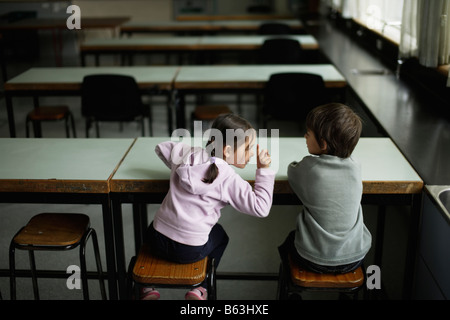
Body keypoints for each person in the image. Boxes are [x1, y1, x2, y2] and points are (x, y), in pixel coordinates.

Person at [143, 113, 274, 300]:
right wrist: (264, 170)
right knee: (220, 236)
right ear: (227, 151)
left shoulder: (188, 153)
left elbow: (162, 148)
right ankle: (200, 288)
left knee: (152, 227)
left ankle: (148, 287)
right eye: (248, 148)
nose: (252, 153)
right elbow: (261, 207)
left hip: (157, 240)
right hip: (190, 250)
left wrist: (176, 169)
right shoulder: (229, 178)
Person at [279, 103, 372, 276]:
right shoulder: (355, 166)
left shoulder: (311, 168)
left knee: (288, 243)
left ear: (323, 144)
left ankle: (289, 287)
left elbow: (292, 171)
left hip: (314, 259)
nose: (305, 137)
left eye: (308, 133)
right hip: (355, 257)